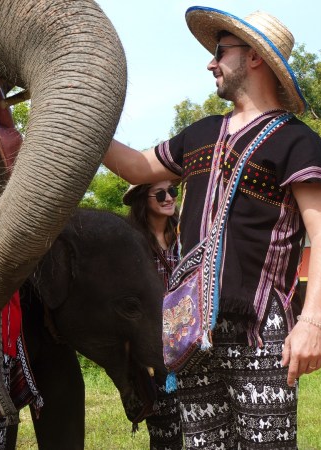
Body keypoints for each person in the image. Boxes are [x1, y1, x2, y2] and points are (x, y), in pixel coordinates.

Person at [102, 7, 321, 448]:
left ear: (253, 58)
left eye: (220, 52)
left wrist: (313, 323)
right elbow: (136, 167)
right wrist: (80, 119)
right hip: (192, 327)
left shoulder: (297, 140)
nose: (211, 62)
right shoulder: (200, 133)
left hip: (260, 329)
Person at [123, 182, 183, 450]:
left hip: (191, 344)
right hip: (154, 350)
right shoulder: (130, 245)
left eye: (173, 191)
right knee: (165, 434)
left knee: (200, 427)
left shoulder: (186, 236)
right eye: (160, 194)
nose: (169, 197)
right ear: (142, 200)